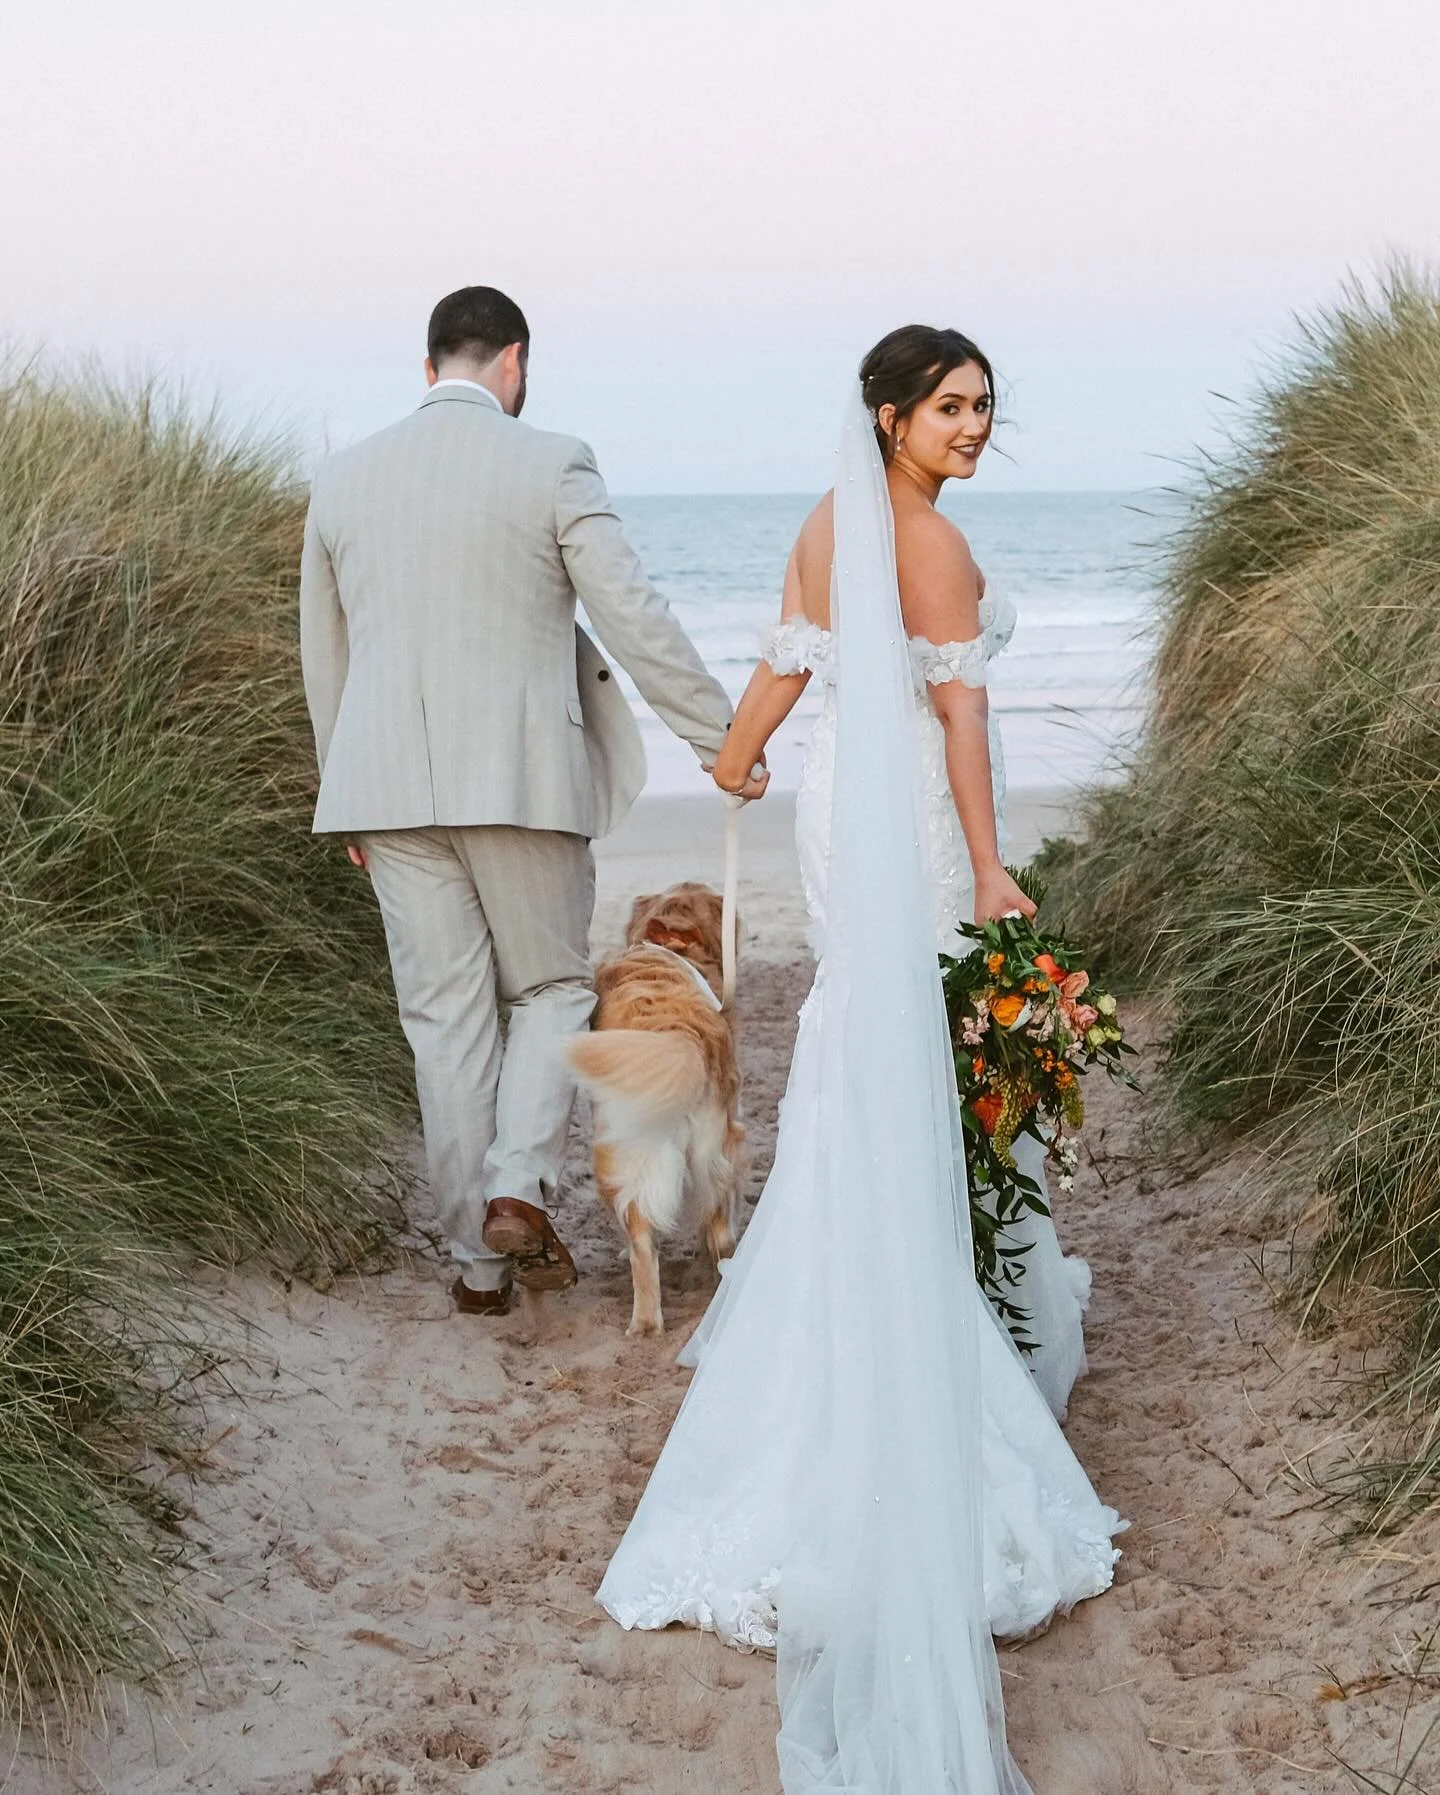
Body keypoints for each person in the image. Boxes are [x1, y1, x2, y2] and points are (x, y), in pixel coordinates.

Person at [597, 328, 1122, 1793]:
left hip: (836, 810)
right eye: (949, 407)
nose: (971, 427)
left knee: (853, 1041)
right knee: (910, 1057)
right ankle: (920, 1308)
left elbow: (785, 662)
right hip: (914, 827)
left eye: (984, 409)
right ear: (888, 414)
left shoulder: (830, 526)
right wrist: (995, 865)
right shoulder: (933, 549)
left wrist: (735, 755)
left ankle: (848, 1290)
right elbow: (963, 715)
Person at [298, 286, 757, 1317]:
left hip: (384, 791)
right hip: (522, 783)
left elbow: (324, 654)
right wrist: (718, 736)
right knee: (549, 989)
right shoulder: (552, 461)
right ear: (513, 362)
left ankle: (477, 1263)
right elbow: (629, 611)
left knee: (444, 1021)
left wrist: (347, 793)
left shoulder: (343, 479)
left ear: (429, 371)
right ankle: (516, 1184)